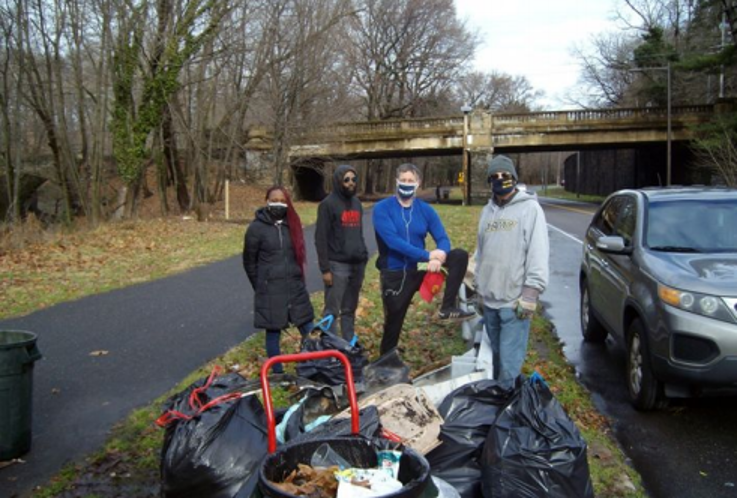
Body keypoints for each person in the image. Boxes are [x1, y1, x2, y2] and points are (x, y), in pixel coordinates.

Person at [373, 163, 474, 355]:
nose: (406, 184)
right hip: (396, 270)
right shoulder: (382, 209)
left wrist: (441, 254)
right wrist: (427, 255)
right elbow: (393, 241)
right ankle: (386, 358)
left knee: (459, 255)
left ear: (418, 183)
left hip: (420, 266)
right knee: (394, 320)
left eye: (411, 181)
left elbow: (442, 238)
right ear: (396, 182)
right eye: (403, 180)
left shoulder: (425, 210)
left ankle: (447, 307)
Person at [475, 155, 550, 381]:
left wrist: (531, 294)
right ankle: (499, 404)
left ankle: (508, 410)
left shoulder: (530, 210)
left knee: (509, 366)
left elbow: (538, 252)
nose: (500, 180)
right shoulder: (487, 212)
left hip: (514, 304)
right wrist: (479, 288)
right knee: (496, 359)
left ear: (514, 178)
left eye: (505, 175)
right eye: (495, 176)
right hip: (489, 302)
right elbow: (481, 252)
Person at [243, 186, 314, 373]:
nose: (278, 203)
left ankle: (314, 365)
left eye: (282, 200)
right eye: (274, 199)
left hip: (295, 286)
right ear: (267, 201)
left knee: (308, 328)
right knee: (273, 333)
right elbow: (249, 262)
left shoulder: (293, 224)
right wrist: (261, 285)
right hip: (270, 290)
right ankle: (277, 374)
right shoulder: (256, 228)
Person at [315, 165, 368, 341]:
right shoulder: (327, 205)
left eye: (353, 179)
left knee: (349, 310)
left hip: (357, 265)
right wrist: (325, 269)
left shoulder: (357, 204)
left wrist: (363, 255)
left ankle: (347, 346)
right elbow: (320, 238)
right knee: (332, 311)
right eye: (346, 179)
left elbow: (358, 233)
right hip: (337, 266)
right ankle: (331, 348)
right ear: (338, 181)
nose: (351, 183)